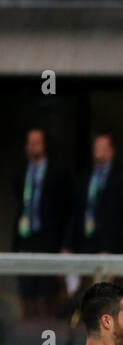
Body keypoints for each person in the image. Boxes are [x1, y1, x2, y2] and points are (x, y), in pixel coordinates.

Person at [12, 128, 73, 316]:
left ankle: (48, 335)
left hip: (50, 240)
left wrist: (65, 244)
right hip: (26, 237)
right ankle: (28, 337)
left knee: (48, 290)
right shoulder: (21, 172)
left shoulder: (57, 172)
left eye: (37, 142)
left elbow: (67, 210)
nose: (32, 147)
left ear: (44, 145)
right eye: (29, 143)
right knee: (26, 289)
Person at [66, 133, 123, 255]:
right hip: (85, 241)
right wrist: (68, 245)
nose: (99, 151)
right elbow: (75, 212)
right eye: (96, 147)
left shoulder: (122, 176)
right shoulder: (84, 177)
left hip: (111, 243)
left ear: (111, 151)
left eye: (103, 147)